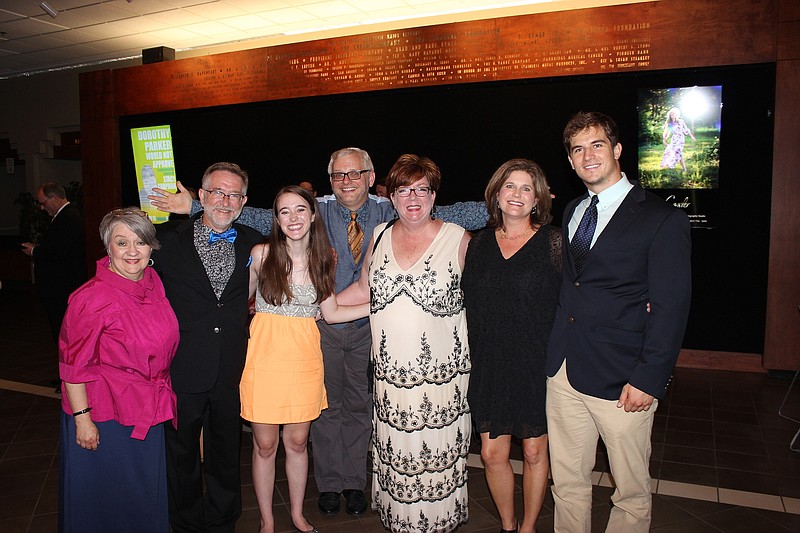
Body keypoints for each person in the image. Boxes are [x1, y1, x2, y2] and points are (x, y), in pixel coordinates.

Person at [149, 147, 487, 516]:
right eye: (339, 175)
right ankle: (327, 486)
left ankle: (354, 484)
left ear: (371, 178)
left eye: (355, 173)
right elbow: (265, 217)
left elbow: (449, 212)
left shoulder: (391, 208)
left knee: (359, 410)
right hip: (310, 332)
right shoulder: (308, 216)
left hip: (366, 331)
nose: (347, 181)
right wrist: (195, 207)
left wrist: (502, 206)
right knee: (323, 417)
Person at [546, 111, 691, 532]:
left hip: (624, 379)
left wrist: (650, 378)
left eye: (596, 145)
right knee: (568, 483)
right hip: (563, 373)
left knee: (629, 493)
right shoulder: (572, 210)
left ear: (617, 150)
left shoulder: (662, 219)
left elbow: (672, 307)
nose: (587, 155)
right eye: (577, 149)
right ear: (570, 161)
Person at [338, 154, 472, 532]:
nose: (413, 197)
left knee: (434, 465)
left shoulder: (458, 239)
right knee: (400, 459)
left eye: (421, 189)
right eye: (403, 190)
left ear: (434, 195)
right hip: (391, 379)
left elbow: (485, 298)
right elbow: (364, 288)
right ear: (391, 196)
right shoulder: (379, 235)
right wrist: (315, 305)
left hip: (441, 381)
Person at [243, 185, 369, 533]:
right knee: (265, 445)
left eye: (300, 209)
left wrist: (384, 304)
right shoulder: (261, 254)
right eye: (284, 211)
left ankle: (297, 514)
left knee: (297, 443)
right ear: (277, 218)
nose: (293, 218)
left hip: (304, 358)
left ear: (313, 214)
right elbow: (239, 301)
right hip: (266, 358)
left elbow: (331, 313)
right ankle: (267, 521)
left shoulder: (324, 257)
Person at [151, 162, 263, 532]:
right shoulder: (166, 240)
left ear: (244, 201)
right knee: (180, 453)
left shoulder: (252, 240)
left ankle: (222, 521)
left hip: (232, 366)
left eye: (233, 195)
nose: (225, 201)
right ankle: (183, 523)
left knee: (226, 453)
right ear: (200, 196)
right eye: (217, 192)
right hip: (183, 364)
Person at [58, 207, 179, 532]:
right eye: (121, 242)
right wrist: (83, 421)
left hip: (147, 409)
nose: (132, 251)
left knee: (142, 497)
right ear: (107, 247)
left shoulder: (153, 283)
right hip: (105, 418)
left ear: (150, 246)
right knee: (104, 502)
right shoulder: (91, 298)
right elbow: (72, 365)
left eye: (140, 242)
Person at [461, 159, 561, 533]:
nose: (516, 194)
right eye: (509, 187)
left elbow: (580, 297)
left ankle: (528, 527)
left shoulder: (554, 242)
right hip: (489, 363)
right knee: (491, 454)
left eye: (525, 188)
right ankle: (508, 524)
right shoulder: (478, 244)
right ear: (496, 195)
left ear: (537, 198)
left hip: (535, 363)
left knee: (535, 451)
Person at [21, 182, 87, 343]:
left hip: (62, 286)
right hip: (60, 286)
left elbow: (58, 252)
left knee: (63, 329)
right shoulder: (65, 216)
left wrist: (35, 251)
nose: (42, 208)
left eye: (43, 203)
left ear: (55, 198)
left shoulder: (68, 217)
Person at [659, 107, 695, 171]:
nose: (673, 116)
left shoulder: (681, 121)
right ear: (670, 115)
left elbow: (686, 129)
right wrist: (664, 140)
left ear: (677, 114)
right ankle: (684, 168)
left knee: (678, 151)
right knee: (677, 153)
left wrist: (692, 136)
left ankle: (679, 167)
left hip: (681, 139)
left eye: (674, 114)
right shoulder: (669, 124)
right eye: (671, 114)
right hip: (674, 139)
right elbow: (667, 133)